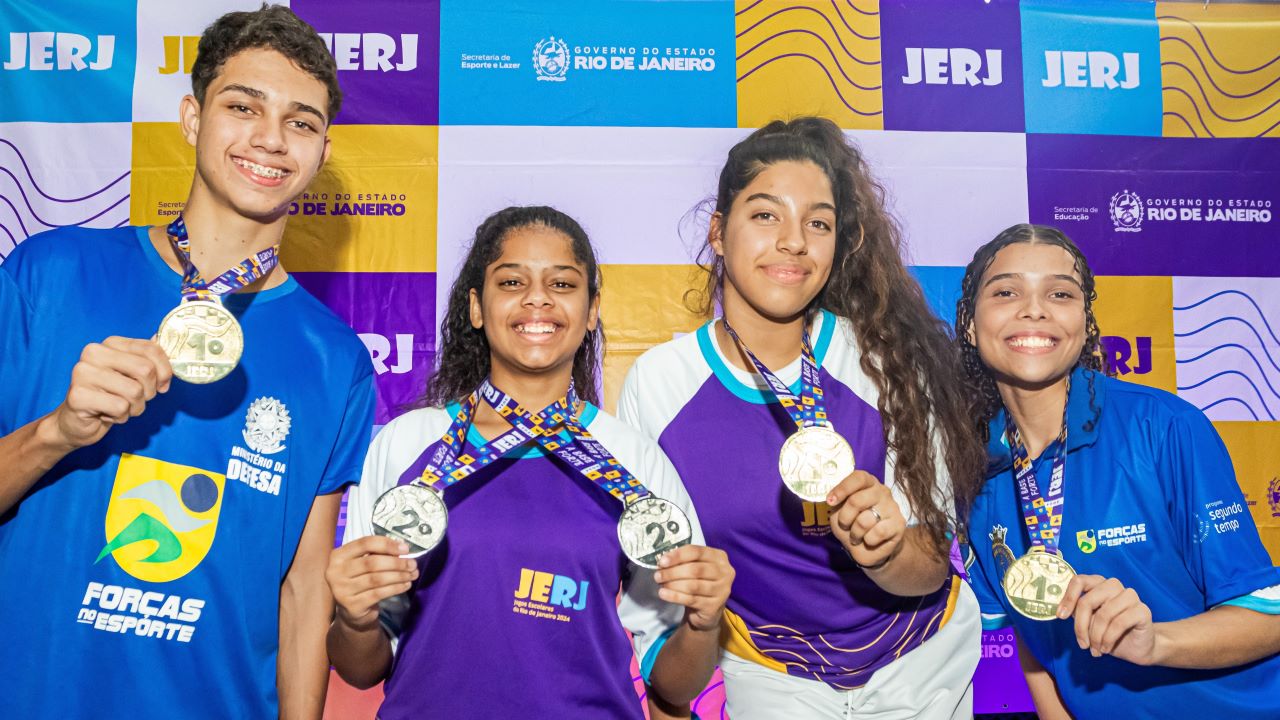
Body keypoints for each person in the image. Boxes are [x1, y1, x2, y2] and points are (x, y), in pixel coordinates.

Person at [0, 6, 373, 719]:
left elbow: (302, 595)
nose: (270, 138)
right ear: (193, 118)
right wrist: (58, 432)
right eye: (243, 107)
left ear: (322, 153)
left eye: (300, 122)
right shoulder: (49, 273)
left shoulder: (337, 360)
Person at [619, 117, 985, 718]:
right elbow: (665, 624)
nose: (794, 241)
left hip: (919, 671)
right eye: (766, 215)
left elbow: (928, 567)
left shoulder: (887, 362)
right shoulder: (660, 385)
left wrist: (889, 551)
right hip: (773, 678)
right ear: (718, 230)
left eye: (818, 222)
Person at [327, 205, 734, 719]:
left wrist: (703, 622)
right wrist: (356, 619)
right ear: (477, 307)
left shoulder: (633, 460)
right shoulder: (409, 445)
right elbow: (361, 667)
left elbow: (674, 685)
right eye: (512, 281)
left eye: (562, 284)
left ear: (591, 312)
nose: (537, 298)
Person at [957, 223, 1280, 719]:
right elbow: (1032, 632)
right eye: (1006, 291)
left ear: (1085, 323)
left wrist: (1156, 643)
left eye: (1060, 293)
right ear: (970, 324)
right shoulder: (975, 469)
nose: (1034, 308)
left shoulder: (1164, 427)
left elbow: (1268, 618)